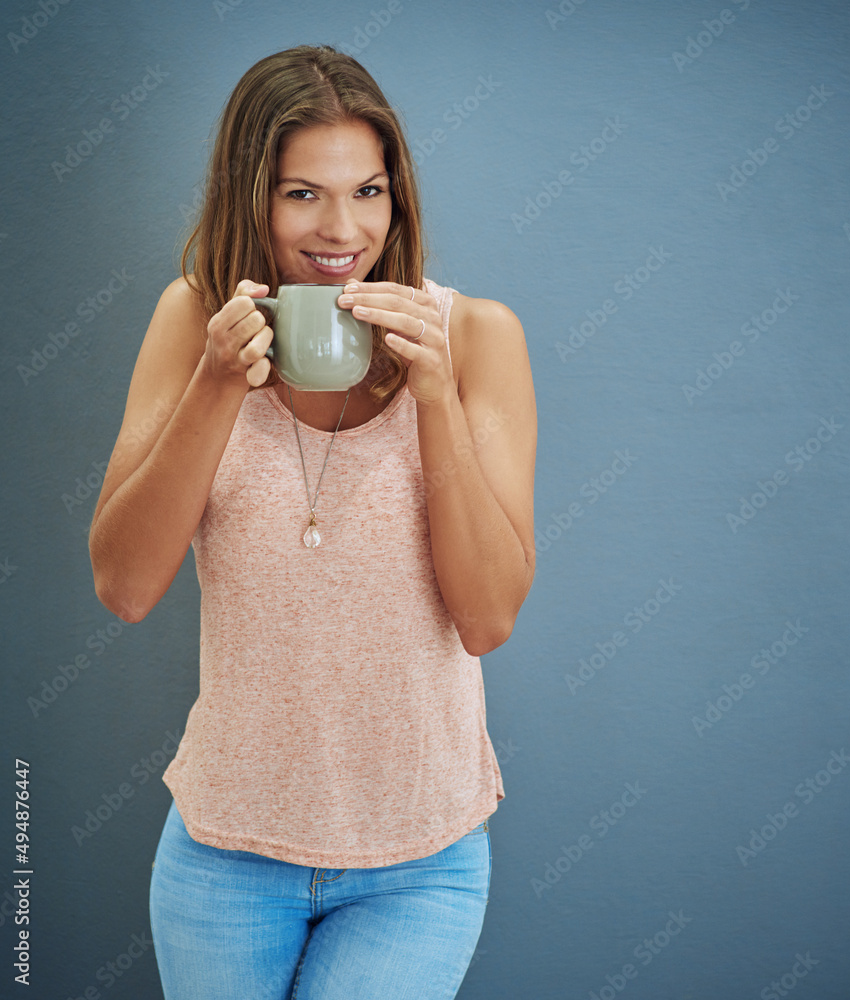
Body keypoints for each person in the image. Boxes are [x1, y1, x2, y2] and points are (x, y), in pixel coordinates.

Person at [88, 44, 536, 1000]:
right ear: (250, 196)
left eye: (367, 190)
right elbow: (124, 587)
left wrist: (435, 400)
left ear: (396, 195)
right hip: (224, 855)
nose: (343, 230)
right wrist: (216, 383)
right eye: (302, 194)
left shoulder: (479, 338)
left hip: (421, 861)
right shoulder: (190, 322)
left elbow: (488, 618)